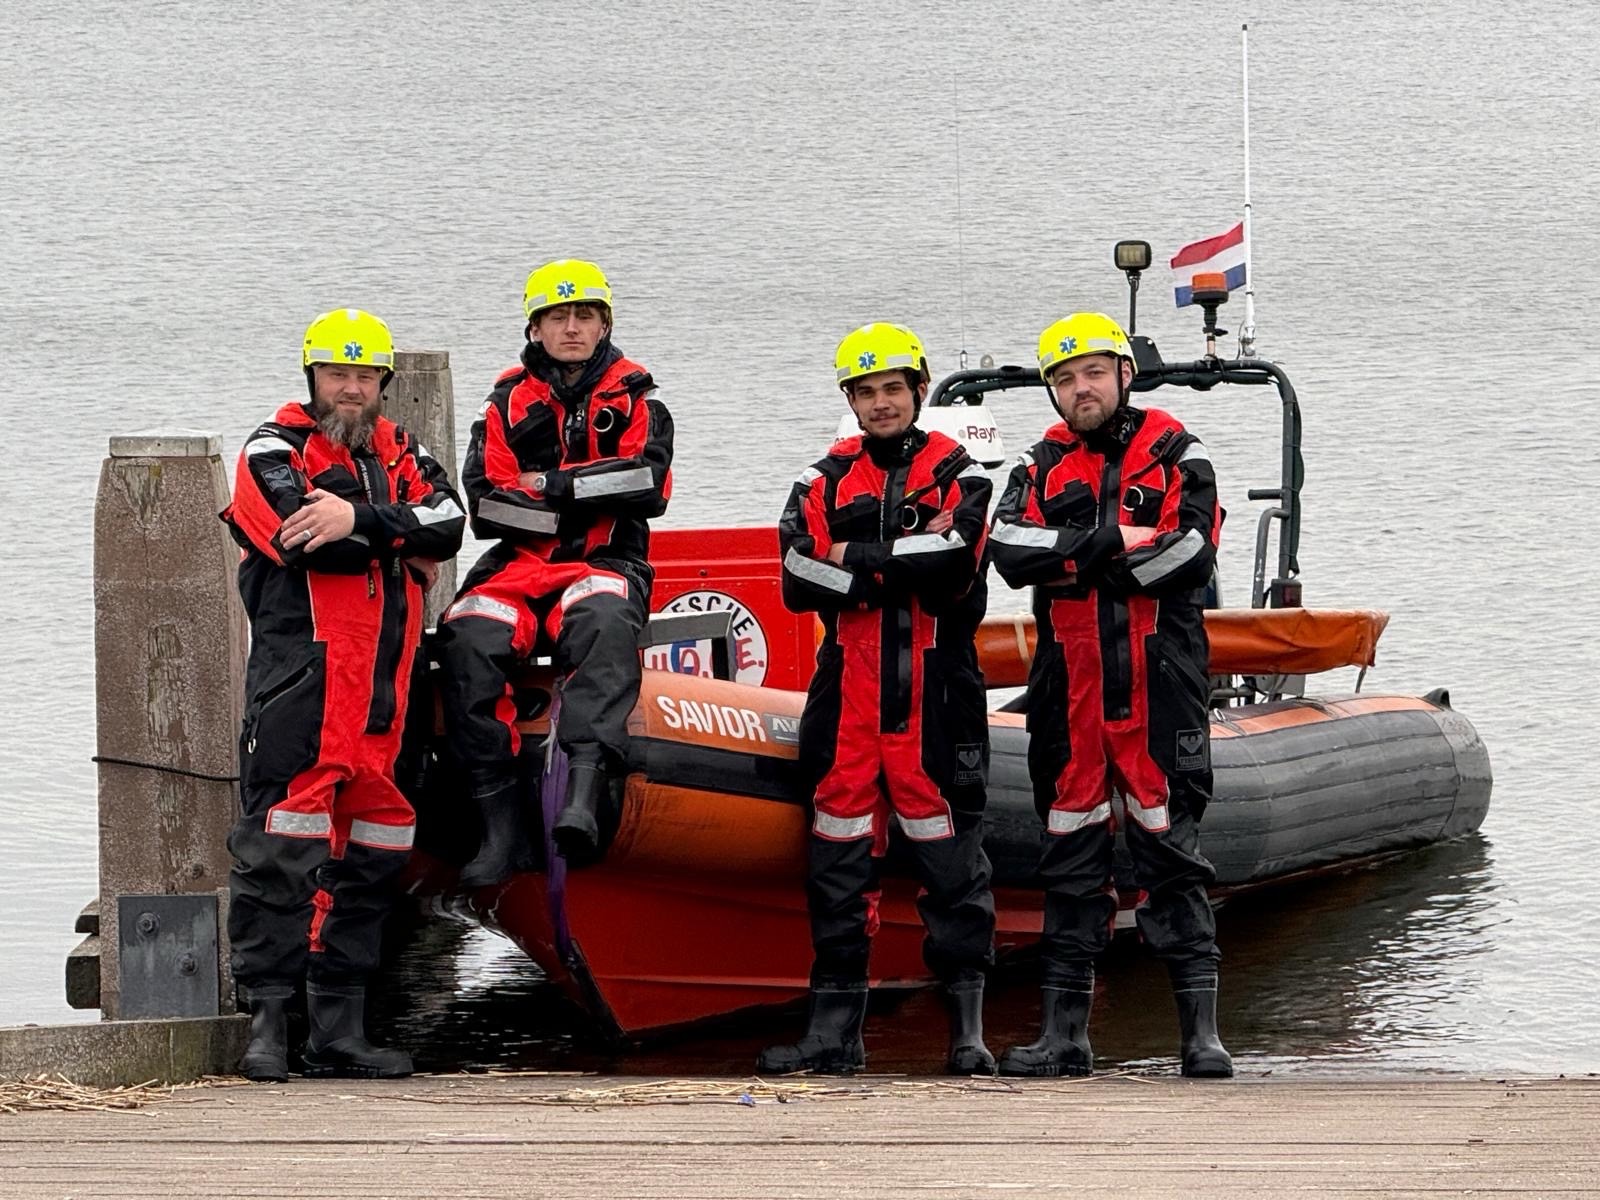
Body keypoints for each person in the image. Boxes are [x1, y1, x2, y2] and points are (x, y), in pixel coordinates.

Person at [222, 307, 466, 1082]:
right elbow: (296, 529)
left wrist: (358, 516)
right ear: (312, 377)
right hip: (304, 687)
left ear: (384, 383)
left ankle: (339, 1031)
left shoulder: (405, 449)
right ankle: (267, 1023)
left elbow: (451, 524)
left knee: (371, 857)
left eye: (366, 376)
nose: (352, 388)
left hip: (383, 701)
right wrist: (390, 529)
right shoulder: (273, 447)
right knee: (278, 855)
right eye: (338, 374)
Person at [987, 311, 1232, 1079]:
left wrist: (1073, 560)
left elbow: (1189, 554)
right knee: (1069, 859)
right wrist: (1110, 544)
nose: (1079, 388)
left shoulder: (1177, 454)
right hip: (1070, 690)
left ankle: (1200, 1036)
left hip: (1158, 682)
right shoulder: (1035, 467)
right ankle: (1065, 1037)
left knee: (1172, 855)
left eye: (1092, 371)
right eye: (1064, 378)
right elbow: (1007, 552)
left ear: (1124, 374)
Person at [759, 323, 997, 1076]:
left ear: (918, 390)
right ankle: (835, 1035)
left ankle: (968, 1036)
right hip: (849, 693)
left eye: (892, 388)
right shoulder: (820, 480)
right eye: (865, 392)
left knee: (956, 873)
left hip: (937, 693)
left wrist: (851, 560)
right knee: (835, 867)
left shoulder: (964, 476)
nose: (880, 402)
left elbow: (956, 559)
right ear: (850, 401)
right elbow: (797, 577)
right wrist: (897, 561)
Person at [435, 259, 673, 882]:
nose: (572, 328)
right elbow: (486, 503)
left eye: (584, 316)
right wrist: (587, 494)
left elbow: (647, 484)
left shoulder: (639, 398)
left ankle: (585, 798)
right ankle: (499, 828)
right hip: (517, 564)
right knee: (468, 636)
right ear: (536, 327)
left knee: (602, 619)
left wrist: (548, 486)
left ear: (604, 324)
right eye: (558, 317)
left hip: (605, 557)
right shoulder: (504, 401)